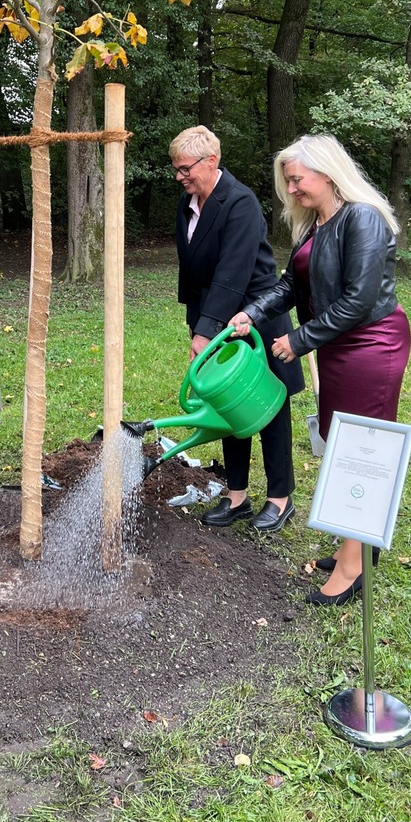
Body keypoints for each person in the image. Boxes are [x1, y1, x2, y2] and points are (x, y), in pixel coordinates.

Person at [230, 134, 411, 605]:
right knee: (338, 439)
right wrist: (253, 311)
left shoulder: (362, 218)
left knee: (359, 452)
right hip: (336, 344)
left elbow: (359, 300)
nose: (291, 189)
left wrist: (299, 340)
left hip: (370, 344)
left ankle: (354, 568)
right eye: (287, 181)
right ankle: (358, 545)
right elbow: (292, 285)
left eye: (297, 179)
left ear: (327, 172)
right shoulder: (316, 224)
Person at [171, 126, 304, 534]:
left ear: (211, 160)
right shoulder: (187, 204)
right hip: (212, 317)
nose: (180, 177)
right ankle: (237, 496)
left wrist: (205, 332)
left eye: (185, 169)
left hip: (256, 315)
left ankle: (280, 499)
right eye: (176, 170)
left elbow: (233, 272)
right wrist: (198, 322)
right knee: (229, 405)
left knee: (269, 404)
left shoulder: (240, 202)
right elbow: (194, 270)